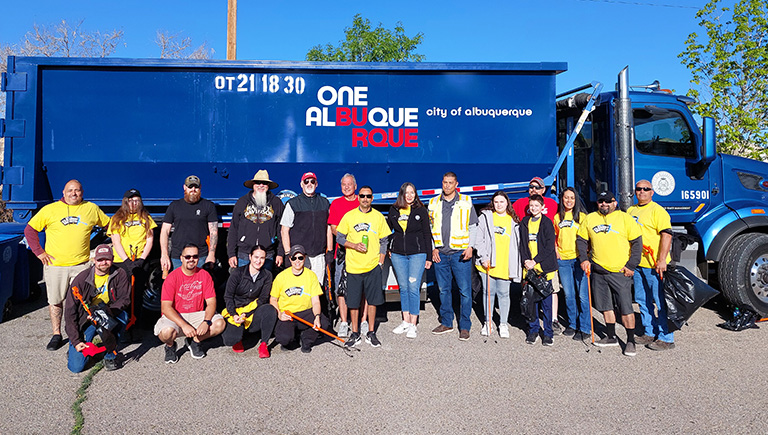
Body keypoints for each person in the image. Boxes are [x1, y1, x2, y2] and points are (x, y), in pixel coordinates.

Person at [24, 179, 110, 351]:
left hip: (82, 265)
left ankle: (78, 331)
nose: (74, 194)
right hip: (56, 266)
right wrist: (39, 252)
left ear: (82, 193)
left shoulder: (91, 209)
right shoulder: (50, 210)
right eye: (70, 190)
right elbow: (30, 230)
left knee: (82, 301)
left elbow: (109, 226)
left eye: (77, 190)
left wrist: (107, 248)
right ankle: (56, 334)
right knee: (56, 301)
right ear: (63, 193)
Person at [577, 190, 642, 356]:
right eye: (600, 201)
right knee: (605, 306)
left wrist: (631, 266)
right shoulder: (590, 218)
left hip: (620, 271)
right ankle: (611, 336)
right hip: (598, 270)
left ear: (615, 203)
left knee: (626, 307)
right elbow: (581, 240)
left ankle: (630, 341)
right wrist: (584, 259)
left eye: (607, 201)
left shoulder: (625, 218)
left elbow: (637, 243)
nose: (604, 204)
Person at [337, 186, 391, 348]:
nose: (365, 199)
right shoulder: (349, 216)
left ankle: (371, 332)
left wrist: (380, 262)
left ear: (372, 198)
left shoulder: (378, 217)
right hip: (353, 266)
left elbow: (384, 241)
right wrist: (353, 245)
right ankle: (355, 333)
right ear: (358, 198)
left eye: (368, 196)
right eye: (362, 196)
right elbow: (340, 238)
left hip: (372, 266)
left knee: (373, 301)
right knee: (353, 302)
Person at [154, 244, 226, 363]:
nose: (191, 259)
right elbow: (166, 308)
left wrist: (206, 321)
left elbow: (212, 302)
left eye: (195, 256)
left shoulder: (205, 275)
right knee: (166, 333)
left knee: (220, 324)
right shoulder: (172, 277)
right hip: (176, 315)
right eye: (187, 257)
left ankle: (195, 341)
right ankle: (170, 346)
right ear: (181, 258)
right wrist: (184, 325)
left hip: (197, 314)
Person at [64, 244, 130, 372]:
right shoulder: (81, 279)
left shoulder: (120, 273)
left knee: (123, 316)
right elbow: (70, 312)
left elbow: (124, 299)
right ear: (94, 261)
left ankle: (110, 355)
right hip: (86, 320)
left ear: (112, 259)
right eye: (100, 259)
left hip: (108, 314)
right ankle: (75, 347)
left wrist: (106, 312)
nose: (103, 262)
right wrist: (76, 340)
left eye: (107, 259)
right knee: (76, 367)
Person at [428, 172, 478, 341]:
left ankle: (464, 326)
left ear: (457, 184)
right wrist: (434, 248)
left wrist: (471, 246)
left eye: (451, 182)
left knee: (465, 291)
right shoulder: (433, 202)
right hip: (441, 254)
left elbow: (473, 226)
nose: (447, 185)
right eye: (445, 182)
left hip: (460, 254)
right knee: (443, 290)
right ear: (441, 183)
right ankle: (447, 322)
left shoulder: (466, 201)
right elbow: (430, 227)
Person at [628, 180, 675, 351]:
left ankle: (666, 337)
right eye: (639, 189)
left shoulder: (658, 211)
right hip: (638, 264)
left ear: (652, 192)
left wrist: (661, 260)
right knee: (642, 300)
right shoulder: (631, 210)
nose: (642, 192)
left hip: (654, 265)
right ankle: (649, 331)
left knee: (661, 302)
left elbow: (667, 236)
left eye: (646, 189)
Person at [512, 176, 562, 334]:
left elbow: (557, 225)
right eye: (531, 187)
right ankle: (531, 321)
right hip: (529, 261)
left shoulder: (552, 205)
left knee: (551, 290)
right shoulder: (521, 204)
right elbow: (510, 216)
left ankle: (553, 320)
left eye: (537, 187)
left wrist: (556, 247)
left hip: (545, 261)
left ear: (543, 190)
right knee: (529, 292)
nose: (533, 189)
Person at [387, 182, 432, 339]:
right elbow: (387, 231)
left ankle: (413, 324)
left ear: (415, 194)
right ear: (402, 194)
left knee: (413, 287)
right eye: (407, 193)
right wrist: (389, 248)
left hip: (417, 254)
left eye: (412, 192)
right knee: (403, 287)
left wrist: (429, 257)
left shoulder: (421, 210)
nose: (409, 195)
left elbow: (427, 234)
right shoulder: (394, 210)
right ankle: (405, 321)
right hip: (398, 254)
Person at [475, 191, 522, 339]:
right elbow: (478, 239)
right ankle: (487, 322)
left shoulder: (513, 221)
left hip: (505, 264)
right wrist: (483, 257)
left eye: (502, 202)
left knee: (504, 294)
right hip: (488, 263)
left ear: (507, 203)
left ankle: (503, 324)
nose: (499, 205)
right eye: (496, 202)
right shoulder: (485, 217)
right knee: (488, 293)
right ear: (492, 203)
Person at [269, 245, 330, 353]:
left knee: (324, 323)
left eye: (300, 258)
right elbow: (273, 299)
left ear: (305, 258)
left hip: (306, 312)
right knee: (284, 338)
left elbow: (315, 301)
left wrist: (317, 316)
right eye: (294, 258)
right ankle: (292, 337)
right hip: (288, 314)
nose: (297, 261)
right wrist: (279, 314)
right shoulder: (281, 277)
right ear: (290, 259)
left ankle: (306, 339)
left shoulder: (311, 276)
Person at [221, 244, 277, 357]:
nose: (258, 261)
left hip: (252, 311)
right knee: (230, 340)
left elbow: (263, 299)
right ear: (250, 257)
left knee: (270, 309)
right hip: (235, 311)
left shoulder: (267, 275)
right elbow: (228, 296)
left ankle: (264, 344)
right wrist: (234, 314)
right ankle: (239, 336)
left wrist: (247, 313)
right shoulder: (237, 273)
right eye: (256, 257)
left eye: (262, 258)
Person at [280, 172, 333, 285]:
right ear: (301, 184)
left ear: (316, 184)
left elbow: (328, 229)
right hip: (299, 257)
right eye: (306, 181)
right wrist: (288, 254)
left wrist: (330, 251)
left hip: (319, 255)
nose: (309, 184)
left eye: (312, 181)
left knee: (317, 289)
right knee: (299, 288)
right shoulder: (292, 204)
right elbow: (284, 230)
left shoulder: (324, 203)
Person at [227, 170, 285, 272]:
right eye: (258, 182)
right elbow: (233, 230)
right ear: (253, 185)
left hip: (267, 255)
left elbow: (281, 231)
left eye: (265, 183)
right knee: (242, 284)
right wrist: (231, 254)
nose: (261, 185)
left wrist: (280, 253)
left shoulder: (276, 203)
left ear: (268, 186)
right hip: (244, 254)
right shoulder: (242, 202)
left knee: (265, 285)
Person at [160, 175, 218, 273]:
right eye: (190, 187)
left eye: (196, 187)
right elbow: (165, 231)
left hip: (200, 257)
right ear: (184, 187)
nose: (193, 190)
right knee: (179, 287)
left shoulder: (208, 206)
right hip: (178, 257)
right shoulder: (174, 206)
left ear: (200, 188)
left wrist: (211, 254)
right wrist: (164, 255)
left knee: (200, 286)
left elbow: (213, 232)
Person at [520, 195, 558, 346]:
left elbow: (549, 247)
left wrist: (535, 261)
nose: (534, 208)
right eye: (531, 205)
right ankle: (533, 330)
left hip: (544, 269)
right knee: (531, 302)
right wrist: (526, 261)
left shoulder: (547, 223)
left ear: (542, 207)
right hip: (529, 270)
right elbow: (522, 244)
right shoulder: (525, 222)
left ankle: (548, 333)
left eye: (537, 205)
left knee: (547, 305)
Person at [554, 187, 592, 341]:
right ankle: (572, 324)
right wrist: (556, 251)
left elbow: (589, 238)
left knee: (583, 296)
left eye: (572, 198)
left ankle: (585, 327)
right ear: (562, 199)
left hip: (579, 260)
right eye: (566, 198)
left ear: (576, 200)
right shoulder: (557, 217)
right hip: (563, 260)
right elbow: (555, 236)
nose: (569, 201)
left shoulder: (582, 217)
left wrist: (586, 257)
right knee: (569, 295)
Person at [327, 173, 360, 337]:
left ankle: (360, 321)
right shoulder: (336, 204)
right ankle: (344, 321)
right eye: (343, 184)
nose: (347, 187)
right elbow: (333, 228)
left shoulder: (361, 201)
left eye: (349, 184)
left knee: (359, 287)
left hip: (361, 254)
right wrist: (348, 240)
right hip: (342, 253)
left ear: (355, 186)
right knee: (340, 287)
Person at [108, 188, 156, 276]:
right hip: (121, 261)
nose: (134, 203)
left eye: (136, 201)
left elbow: (149, 239)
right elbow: (116, 242)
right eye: (130, 201)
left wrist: (142, 259)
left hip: (140, 260)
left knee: (139, 287)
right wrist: (127, 261)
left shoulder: (146, 218)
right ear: (125, 202)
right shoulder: (116, 218)